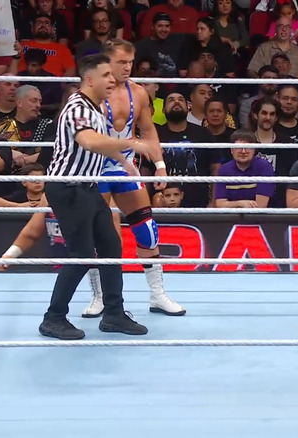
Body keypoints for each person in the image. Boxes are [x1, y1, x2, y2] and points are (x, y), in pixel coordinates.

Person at [28, 53, 155, 340]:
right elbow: (88, 140)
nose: (113, 80)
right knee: (82, 254)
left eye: (113, 74)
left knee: (111, 246)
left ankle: (113, 314)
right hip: (69, 187)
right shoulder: (78, 108)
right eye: (106, 75)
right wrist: (130, 143)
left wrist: (125, 162)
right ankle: (53, 318)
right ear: (89, 79)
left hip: (87, 187)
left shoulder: (95, 109)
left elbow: (99, 146)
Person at [85, 39, 186, 318]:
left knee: (146, 228)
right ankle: (100, 296)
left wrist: (160, 165)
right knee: (98, 234)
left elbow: (148, 131)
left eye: (130, 62)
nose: (127, 67)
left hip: (125, 167)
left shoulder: (139, 93)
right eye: (121, 62)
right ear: (107, 62)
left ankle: (157, 295)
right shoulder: (91, 93)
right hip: (94, 168)